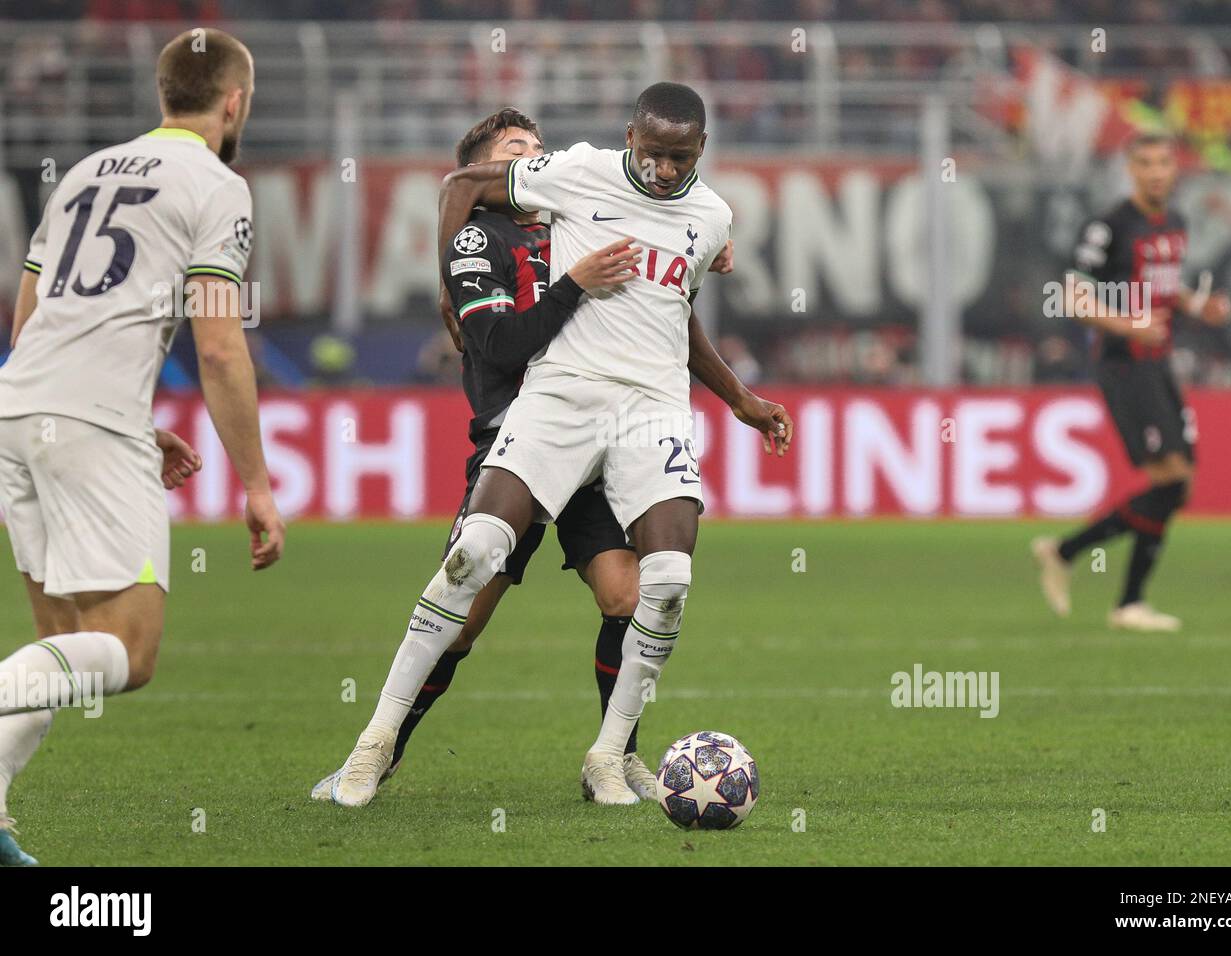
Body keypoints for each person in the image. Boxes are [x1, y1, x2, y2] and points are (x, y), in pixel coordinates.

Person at [327, 82, 790, 808]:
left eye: (680, 157)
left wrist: (740, 399)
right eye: (653, 153)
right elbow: (463, 186)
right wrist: (447, 284)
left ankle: (609, 757)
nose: (664, 171)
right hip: (560, 397)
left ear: (702, 150)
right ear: (628, 136)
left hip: (650, 410)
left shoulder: (711, 216)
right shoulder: (576, 175)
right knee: (474, 553)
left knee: (663, 581)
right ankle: (374, 744)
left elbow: (671, 315)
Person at [0, 28, 285, 865]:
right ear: (234, 102)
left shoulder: (86, 173)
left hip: (19, 406)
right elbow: (221, 345)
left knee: (59, 643)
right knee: (127, 649)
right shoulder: (218, 185)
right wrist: (258, 484)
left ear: (164, 94)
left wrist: (124, 409)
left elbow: (29, 317)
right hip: (85, 422)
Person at [1033, 132, 1230, 632]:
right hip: (1124, 364)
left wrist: (1196, 304)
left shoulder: (1177, 223)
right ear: (1130, 168)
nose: (1156, 172)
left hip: (1159, 363)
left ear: (1175, 167)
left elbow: (1163, 288)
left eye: (1164, 162)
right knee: (1170, 482)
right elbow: (1072, 298)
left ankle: (1078, 561)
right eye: (1145, 163)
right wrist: (1129, 325)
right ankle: (1109, 587)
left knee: (1178, 486)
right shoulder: (1109, 227)